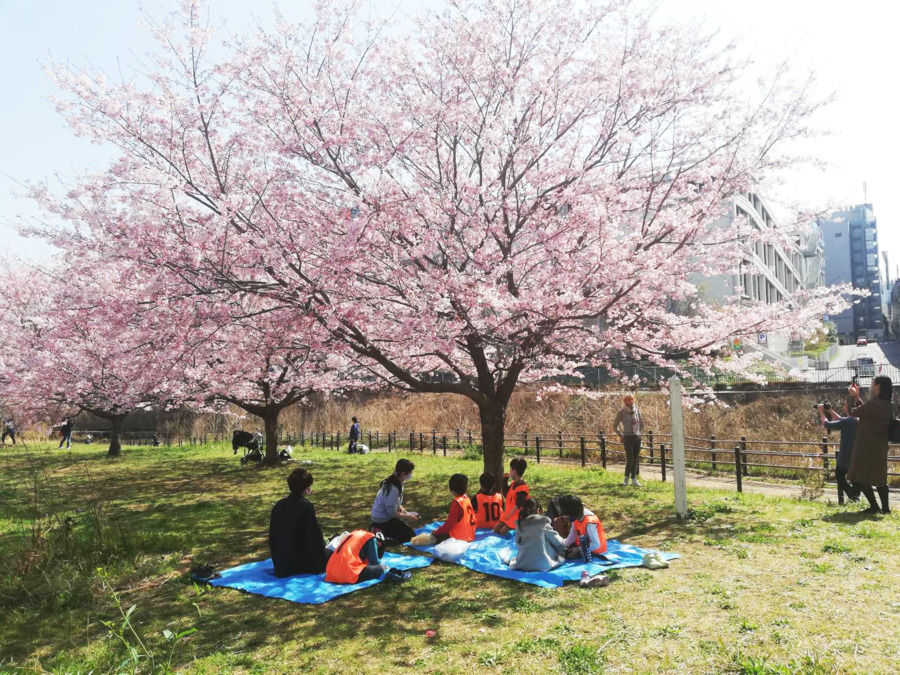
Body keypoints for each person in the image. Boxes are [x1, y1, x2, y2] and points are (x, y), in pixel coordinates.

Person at [268, 468, 331, 577]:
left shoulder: (279, 505)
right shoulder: (305, 506)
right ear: (306, 488)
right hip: (298, 563)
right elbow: (312, 538)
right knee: (333, 554)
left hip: (280, 562)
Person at [847, 375, 894, 515]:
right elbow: (866, 411)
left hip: (866, 444)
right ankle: (885, 508)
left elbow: (853, 412)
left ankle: (874, 506)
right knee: (880, 477)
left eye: (873, 383)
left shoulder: (874, 403)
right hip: (880, 445)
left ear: (878, 386)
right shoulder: (887, 404)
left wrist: (851, 397)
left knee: (860, 475)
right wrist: (857, 399)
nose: (871, 385)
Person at [508, 498, 567, 572]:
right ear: (538, 510)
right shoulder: (543, 524)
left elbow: (518, 543)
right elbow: (558, 542)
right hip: (543, 564)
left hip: (523, 564)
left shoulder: (519, 525)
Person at [817, 402, 860, 504]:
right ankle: (855, 497)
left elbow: (827, 424)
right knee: (854, 478)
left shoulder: (847, 421)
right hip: (857, 455)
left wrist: (821, 412)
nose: (843, 406)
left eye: (845, 405)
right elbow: (841, 420)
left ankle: (852, 496)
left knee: (839, 477)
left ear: (849, 408)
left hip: (846, 455)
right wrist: (830, 410)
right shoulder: (857, 420)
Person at [371, 458, 419, 542]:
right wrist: (408, 516)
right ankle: (379, 531)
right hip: (382, 520)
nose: (411, 474)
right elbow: (392, 513)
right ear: (403, 473)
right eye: (410, 472)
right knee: (410, 537)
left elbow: (396, 503)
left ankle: (382, 531)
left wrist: (406, 512)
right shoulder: (393, 488)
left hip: (386, 517)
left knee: (409, 534)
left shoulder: (398, 482)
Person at [432, 474, 477, 543]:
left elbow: (449, 525)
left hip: (459, 539)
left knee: (435, 537)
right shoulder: (466, 499)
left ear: (451, 489)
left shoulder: (457, 503)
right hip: (470, 535)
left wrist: (437, 532)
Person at [493, 457, 529, 535]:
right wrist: (505, 480)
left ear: (514, 471)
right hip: (509, 515)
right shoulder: (514, 483)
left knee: (502, 532)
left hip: (517, 517)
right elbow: (507, 494)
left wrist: (510, 514)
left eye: (510, 469)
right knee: (496, 530)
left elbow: (519, 504)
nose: (509, 471)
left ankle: (518, 530)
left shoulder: (522, 486)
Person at [613, 394, 644, 487]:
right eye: (628, 400)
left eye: (632, 399)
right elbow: (615, 426)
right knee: (630, 459)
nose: (630, 401)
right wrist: (621, 435)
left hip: (636, 437)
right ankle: (626, 479)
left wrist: (639, 432)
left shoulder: (637, 411)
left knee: (635, 459)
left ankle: (634, 479)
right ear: (625, 401)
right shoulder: (622, 412)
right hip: (627, 437)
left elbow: (642, 424)